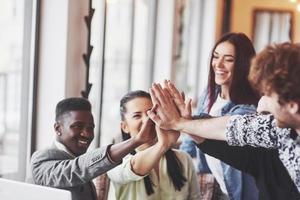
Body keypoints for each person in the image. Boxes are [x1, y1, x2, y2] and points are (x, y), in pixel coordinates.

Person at [147, 42, 300, 199]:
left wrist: (181, 123)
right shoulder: (277, 130)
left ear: (292, 105)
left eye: (269, 95)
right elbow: (234, 131)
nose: (262, 103)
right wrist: (183, 124)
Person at [180, 32, 259, 200]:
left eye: (229, 59)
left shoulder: (250, 107)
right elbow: (190, 140)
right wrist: (181, 166)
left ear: (243, 65)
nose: (218, 64)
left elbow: (221, 130)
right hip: (218, 187)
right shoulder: (209, 94)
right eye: (216, 57)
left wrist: (183, 122)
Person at [28, 97, 155, 200]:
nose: (87, 134)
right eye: (77, 126)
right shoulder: (41, 160)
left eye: (90, 128)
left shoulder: (78, 157)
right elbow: (76, 170)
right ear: (58, 128)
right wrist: (136, 140)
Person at [107, 90, 200, 200]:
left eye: (151, 113)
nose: (147, 120)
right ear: (124, 127)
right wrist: (163, 145)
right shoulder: (114, 161)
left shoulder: (183, 159)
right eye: (137, 116)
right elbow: (136, 167)